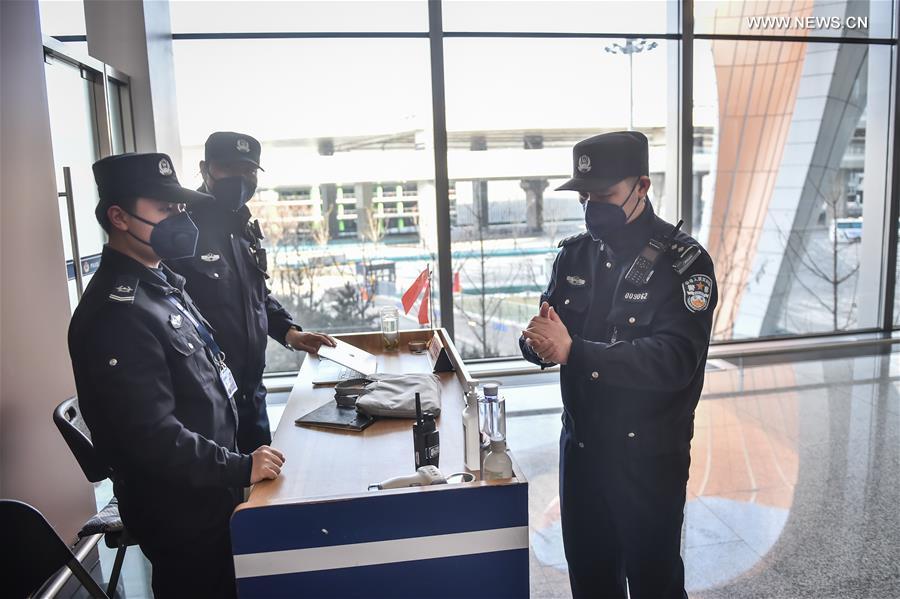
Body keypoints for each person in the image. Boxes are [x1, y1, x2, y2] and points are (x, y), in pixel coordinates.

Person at [68, 152, 286, 598]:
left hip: (209, 485)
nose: (180, 218)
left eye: (181, 208)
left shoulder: (161, 283)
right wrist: (241, 466)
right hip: (181, 507)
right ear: (118, 217)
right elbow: (152, 438)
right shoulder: (117, 314)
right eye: (164, 209)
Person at [520, 131, 718, 599]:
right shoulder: (577, 253)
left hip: (647, 459)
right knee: (590, 579)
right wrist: (538, 344)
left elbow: (675, 361)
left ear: (642, 186)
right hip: (582, 450)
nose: (592, 206)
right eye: (585, 196)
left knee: (655, 581)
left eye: (605, 195)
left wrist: (576, 351)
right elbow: (551, 330)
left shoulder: (685, 264)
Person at [167, 131, 335, 453]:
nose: (241, 179)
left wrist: (290, 333)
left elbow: (255, 294)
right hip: (208, 400)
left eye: (249, 171)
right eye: (229, 168)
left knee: (263, 489)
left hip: (251, 392)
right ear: (205, 169)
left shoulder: (243, 226)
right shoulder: (183, 230)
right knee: (225, 495)